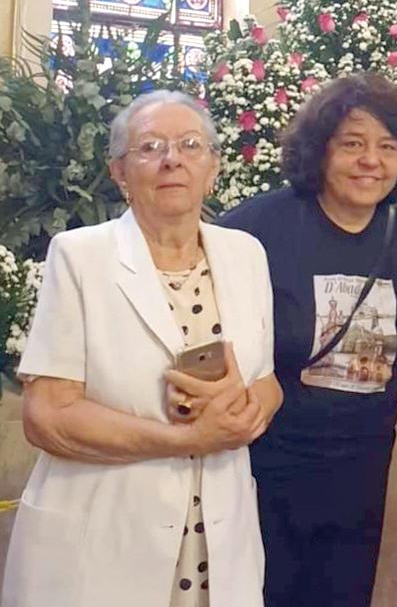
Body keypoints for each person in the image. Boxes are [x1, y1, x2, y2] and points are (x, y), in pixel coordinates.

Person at [2, 91, 282, 607]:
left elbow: (265, 380)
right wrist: (191, 436)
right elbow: (47, 415)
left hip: (217, 538)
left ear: (213, 167)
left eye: (190, 144)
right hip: (102, 539)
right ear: (119, 173)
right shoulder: (81, 256)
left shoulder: (245, 254)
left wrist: (250, 414)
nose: (172, 158)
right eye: (150, 147)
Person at [219, 72, 397, 607]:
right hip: (269, 464)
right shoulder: (257, 228)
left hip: (362, 465)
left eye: (387, 147)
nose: (371, 161)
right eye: (353, 144)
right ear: (320, 151)